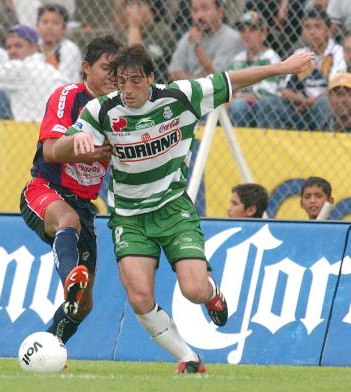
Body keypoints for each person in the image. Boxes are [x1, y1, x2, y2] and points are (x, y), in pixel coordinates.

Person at [54, 43, 314, 373]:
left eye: (136, 81)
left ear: (151, 78)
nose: (128, 90)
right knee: (139, 297)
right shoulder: (100, 110)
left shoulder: (181, 96)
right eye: (121, 81)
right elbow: (59, 147)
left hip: (173, 209)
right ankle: (188, 357)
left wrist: (283, 67)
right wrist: (74, 143)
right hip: (130, 217)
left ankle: (211, 293)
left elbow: (231, 79)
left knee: (193, 289)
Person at [19, 34, 122, 345]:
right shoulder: (68, 96)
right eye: (107, 68)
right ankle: (70, 278)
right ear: (86, 68)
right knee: (69, 220)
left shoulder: (120, 109)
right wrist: (87, 150)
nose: (113, 77)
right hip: (45, 189)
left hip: (84, 205)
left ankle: (47, 346)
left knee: (83, 305)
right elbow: (50, 151)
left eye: (118, 70)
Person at [256, 5, 346, 131]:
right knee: (267, 103)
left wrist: (310, 102)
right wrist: (303, 101)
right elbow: (284, 90)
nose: (312, 32)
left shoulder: (338, 53)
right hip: (299, 107)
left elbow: (336, 90)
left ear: (327, 31)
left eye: (317, 26)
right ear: (302, 31)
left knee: (325, 103)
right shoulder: (300, 53)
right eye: (307, 27)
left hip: (322, 105)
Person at [0, 24, 68, 122]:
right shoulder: (52, 71)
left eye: (18, 46)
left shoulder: (22, 68)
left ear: (35, 47)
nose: (12, 51)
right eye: (9, 47)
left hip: (32, 130)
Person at [227, 11, 282, 127]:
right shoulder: (237, 59)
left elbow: (264, 93)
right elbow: (228, 87)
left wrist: (235, 100)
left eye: (252, 30)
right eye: (242, 30)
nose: (246, 35)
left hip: (261, 108)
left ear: (264, 32)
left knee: (238, 107)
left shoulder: (271, 58)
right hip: (238, 103)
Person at [168, 0, 243, 80]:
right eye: (195, 10)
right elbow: (174, 75)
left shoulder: (231, 38)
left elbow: (218, 81)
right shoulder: (188, 37)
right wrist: (202, 79)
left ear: (220, 12)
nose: (199, 16)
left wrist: (197, 46)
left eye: (205, 9)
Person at [118, 0, 175, 83]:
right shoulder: (124, 34)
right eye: (130, 4)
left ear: (152, 7)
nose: (134, 9)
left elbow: (138, 65)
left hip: (156, 88)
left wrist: (134, 27)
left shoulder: (163, 31)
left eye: (139, 4)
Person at [36, 3, 82, 82]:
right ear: (37, 26)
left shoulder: (70, 49)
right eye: (45, 22)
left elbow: (63, 80)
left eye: (55, 23)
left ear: (64, 28)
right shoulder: (34, 47)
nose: (49, 27)